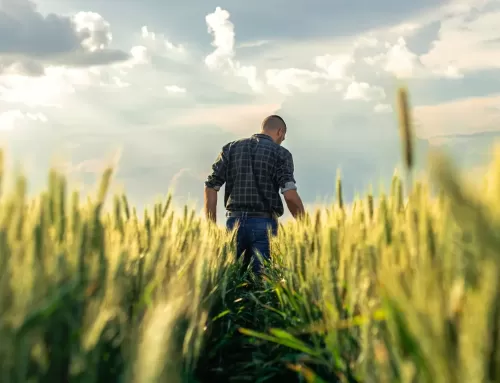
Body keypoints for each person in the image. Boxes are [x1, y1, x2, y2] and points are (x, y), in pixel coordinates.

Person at [203, 115, 305, 276]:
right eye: (283, 137)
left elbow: (211, 187)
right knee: (262, 281)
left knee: (234, 279)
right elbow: (290, 195)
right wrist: (305, 224)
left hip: (233, 222)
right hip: (263, 224)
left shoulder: (230, 148)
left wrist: (211, 226)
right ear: (280, 132)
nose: (282, 140)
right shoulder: (281, 153)